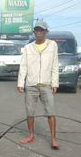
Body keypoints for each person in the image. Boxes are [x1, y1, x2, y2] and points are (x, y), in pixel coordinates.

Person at [17, 20, 60, 149]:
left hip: (46, 84)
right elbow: (23, 66)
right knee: (30, 112)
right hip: (31, 84)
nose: (39, 32)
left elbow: (54, 65)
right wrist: (20, 82)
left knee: (51, 111)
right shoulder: (28, 47)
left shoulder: (52, 45)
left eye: (41, 30)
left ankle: (53, 138)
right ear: (34, 32)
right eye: (36, 30)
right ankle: (31, 135)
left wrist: (55, 83)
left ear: (46, 32)